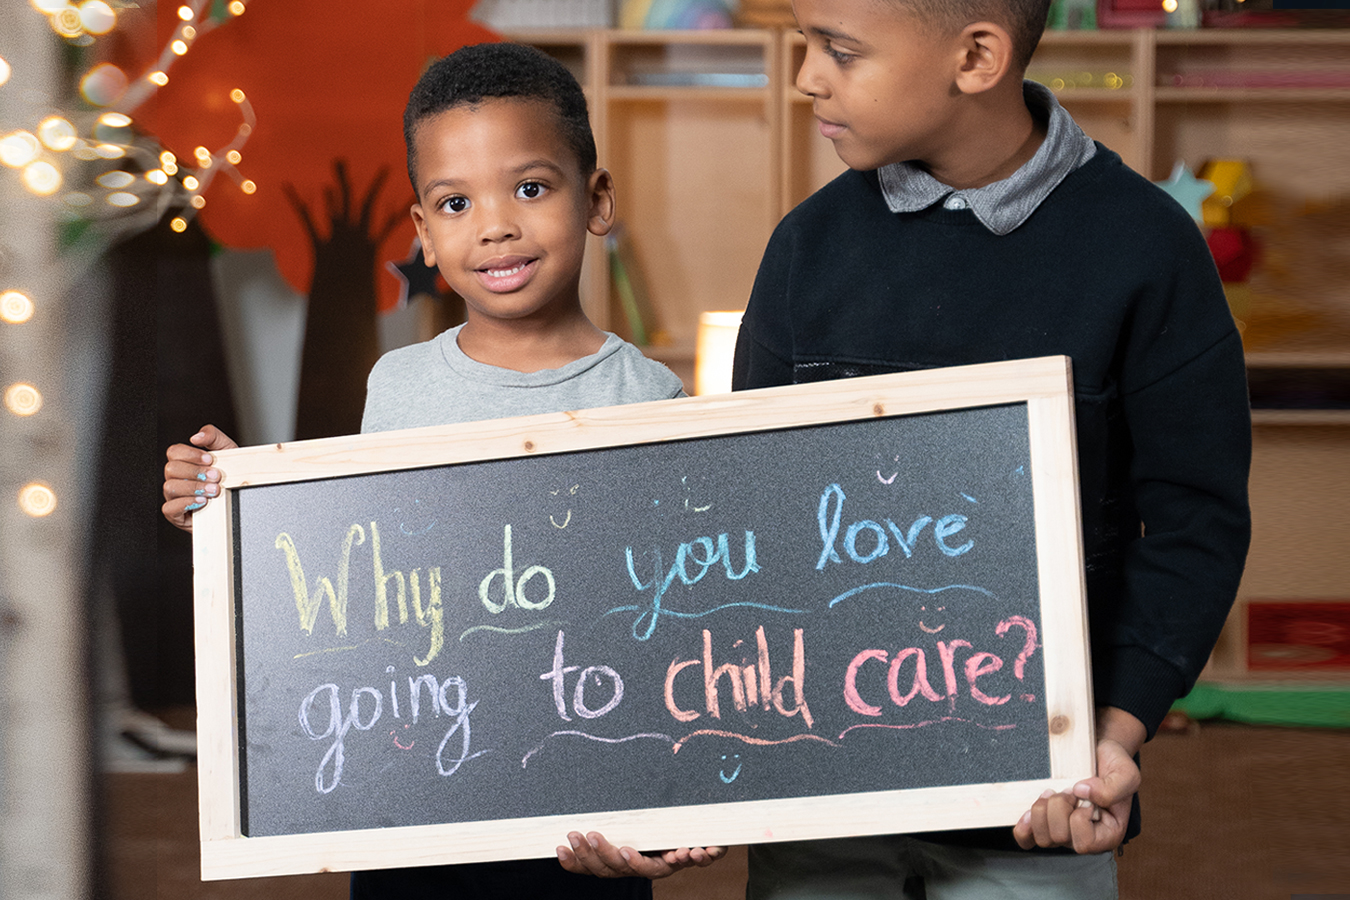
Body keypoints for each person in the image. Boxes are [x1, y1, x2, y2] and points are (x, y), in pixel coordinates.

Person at [162, 41, 724, 899]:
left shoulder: (649, 395)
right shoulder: (399, 384)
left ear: (597, 199)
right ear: (422, 233)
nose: (495, 225)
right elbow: (353, 571)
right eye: (455, 202)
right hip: (415, 798)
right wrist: (236, 501)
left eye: (530, 188)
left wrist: (691, 798)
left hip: (586, 805)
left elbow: (682, 616)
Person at [729, 0, 1252, 897]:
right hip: (825, 796)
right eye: (805, 44)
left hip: (1037, 802)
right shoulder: (804, 250)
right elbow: (748, 520)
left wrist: (1113, 736)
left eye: (840, 51)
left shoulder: (1148, 248)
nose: (807, 76)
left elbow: (1193, 521)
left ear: (976, 57)